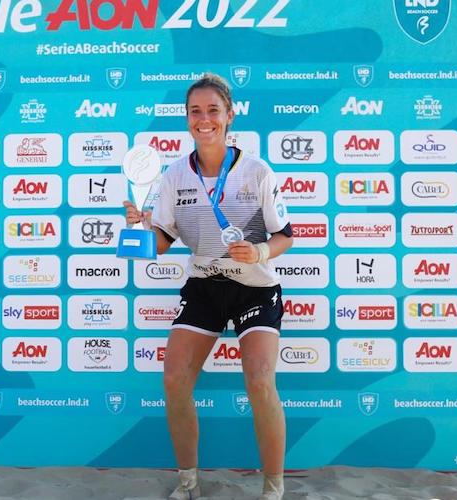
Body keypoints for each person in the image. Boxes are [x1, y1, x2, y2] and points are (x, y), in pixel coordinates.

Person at [124, 73, 293, 500]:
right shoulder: (174, 175)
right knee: (174, 379)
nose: (204, 119)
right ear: (186, 119)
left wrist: (257, 253)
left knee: (258, 379)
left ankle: (273, 487)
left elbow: (285, 236)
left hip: (255, 288)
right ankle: (189, 483)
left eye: (213, 110)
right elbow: (160, 244)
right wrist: (140, 231)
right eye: (195, 111)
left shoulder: (256, 171)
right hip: (205, 284)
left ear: (229, 116)